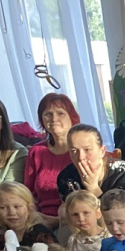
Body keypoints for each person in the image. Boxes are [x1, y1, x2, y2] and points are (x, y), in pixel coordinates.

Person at [56, 124, 125, 224]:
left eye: (87, 150)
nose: (80, 157)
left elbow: (123, 218)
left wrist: (93, 188)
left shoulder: (124, 172)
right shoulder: (66, 177)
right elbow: (75, 216)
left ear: (102, 151)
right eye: (74, 151)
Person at [22, 92, 80, 228]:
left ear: (72, 117)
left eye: (60, 113)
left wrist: (58, 221)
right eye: (48, 114)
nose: (54, 119)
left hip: (75, 221)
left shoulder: (81, 151)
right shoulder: (36, 151)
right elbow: (28, 194)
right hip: (40, 221)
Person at [0, 181, 54, 248]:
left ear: (29, 208)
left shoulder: (40, 233)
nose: (11, 212)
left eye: (17, 207)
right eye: (2, 208)